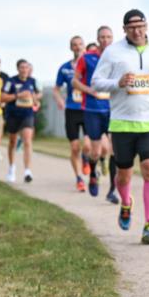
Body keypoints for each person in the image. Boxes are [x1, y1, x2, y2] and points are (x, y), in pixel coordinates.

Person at [91, 9, 149, 244]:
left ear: (147, 26)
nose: (137, 31)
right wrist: (117, 82)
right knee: (124, 176)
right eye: (132, 27)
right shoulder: (112, 52)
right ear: (124, 29)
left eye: (141, 26)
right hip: (123, 123)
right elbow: (96, 82)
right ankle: (126, 203)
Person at [74, 26, 119, 202]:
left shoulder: (118, 57)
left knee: (114, 149)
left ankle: (112, 190)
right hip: (92, 110)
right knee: (95, 150)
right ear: (97, 39)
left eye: (109, 37)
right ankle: (93, 172)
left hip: (114, 109)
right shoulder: (87, 58)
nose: (106, 40)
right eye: (102, 37)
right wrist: (90, 90)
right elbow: (75, 82)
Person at [54, 35, 92, 192]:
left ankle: (85, 159)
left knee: (88, 145)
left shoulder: (91, 64)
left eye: (80, 44)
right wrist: (59, 100)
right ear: (71, 48)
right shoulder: (65, 68)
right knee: (75, 147)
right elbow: (56, 88)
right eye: (74, 45)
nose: (77, 47)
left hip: (88, 109)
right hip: (72, 110)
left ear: (84, 46)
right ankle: (79, 178)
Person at [0, 59, 41, 183]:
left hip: (27, 114)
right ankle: (12, 168)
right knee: (13, 141)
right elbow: (2, 97)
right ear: (18, 69)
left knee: (27, 140)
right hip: (13, 114)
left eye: (26, 67)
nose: (24, 70)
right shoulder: (10, 81)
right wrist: (18, 95)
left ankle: (28, 171)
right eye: (22, 67)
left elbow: (39, 94)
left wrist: (34, 97)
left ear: (29, 69)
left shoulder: (32, 81)